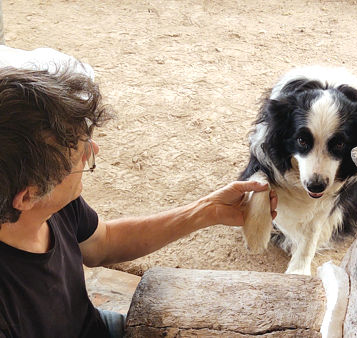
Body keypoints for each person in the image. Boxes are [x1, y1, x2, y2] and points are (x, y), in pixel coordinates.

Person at [0, 50, 277, 337]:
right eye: (81, 154)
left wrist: (207, 210)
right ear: (28, 197)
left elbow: (103, 243)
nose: (93, 151)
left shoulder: (54, 203)